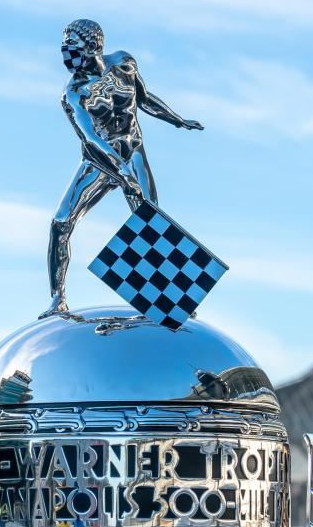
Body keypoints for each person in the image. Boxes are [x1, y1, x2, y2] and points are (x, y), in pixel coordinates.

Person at [42, 19, 203, 318]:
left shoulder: (124, 64)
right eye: (64, 47)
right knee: (60, 223)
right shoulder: (75, 93)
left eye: (72, 47)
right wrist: (122, 174)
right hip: (100, 161)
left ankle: (173, 299)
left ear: (93, 47)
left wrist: (177, 119)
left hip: (133, 151)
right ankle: (57, 300)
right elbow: (90, 139)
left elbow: (144, 100)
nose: (66, 54)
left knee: (152, 222)